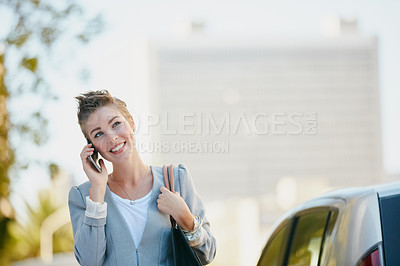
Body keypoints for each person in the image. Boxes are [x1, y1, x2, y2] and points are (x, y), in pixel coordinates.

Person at [68, 90, 216, 266]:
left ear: (131, 123)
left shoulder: (176, 179)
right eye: (98, 134)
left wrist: (185, 217)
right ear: (91, 146)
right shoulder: (83, 196)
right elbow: (89, 262)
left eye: (116, 124)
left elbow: (208, 253)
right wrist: (98, 193)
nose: (112, 137)